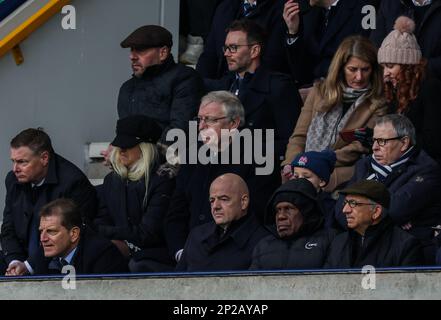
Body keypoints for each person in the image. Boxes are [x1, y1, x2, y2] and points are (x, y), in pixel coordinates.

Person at [165, 91, 279, 265]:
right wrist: (182, 252)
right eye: (199, 119)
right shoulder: (191, 156)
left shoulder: (259, 157)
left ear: (234, 123)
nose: (201, 126)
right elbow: (176, 213)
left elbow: (257, 213)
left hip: (237, 254)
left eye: (210, 120)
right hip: (191, 253)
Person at [282, 35, 387, 191]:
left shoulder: (378, 102)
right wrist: (290, 163)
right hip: (303, 166)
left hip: (340, 172)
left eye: (365, 69)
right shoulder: (319, 91)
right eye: (352, 69)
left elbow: (359, 147)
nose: (359, 77)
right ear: (341, 68)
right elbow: (299, 135)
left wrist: (321, 161)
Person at [334, 114, 441, 263]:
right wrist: (379, 219)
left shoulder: (426, 170)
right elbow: (340, 211)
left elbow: (396, 210)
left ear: (404, 143)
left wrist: (361, 217)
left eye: (382, 141)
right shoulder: (364, 165)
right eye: (374, 141)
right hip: (364, 246)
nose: (374, 147)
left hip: (406, 253)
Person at [1, 128, 97, 276]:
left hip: (58, 261)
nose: (15, 169)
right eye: (13, 161)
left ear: (44, 158)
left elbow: (71, 238)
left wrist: (28, 265)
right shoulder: (13, 180)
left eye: (22, 162)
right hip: (21, 257)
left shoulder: (73, 182)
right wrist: (14, 261)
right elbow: (8, 227)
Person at [205, 19, 303, 161]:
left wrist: (245, 148)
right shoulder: (224, 85)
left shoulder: (279, 86)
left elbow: (292, 141)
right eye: (225, 48)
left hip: (259, 167)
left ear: (254, 51)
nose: (226, 54)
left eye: (233, 47)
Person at [94, 115, 176, 272]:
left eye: (128, 145)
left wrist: (117, 240)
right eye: (119, 144)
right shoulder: (111, 180)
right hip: (119, 248)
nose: (121, 150)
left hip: (154, 254)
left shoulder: (163, 180)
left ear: (146, 148)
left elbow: (149, 234)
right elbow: (102, 219)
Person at [117, 24, 204, 145]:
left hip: (170, 159)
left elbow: (180, 132)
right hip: (135, 159)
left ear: (162, 53)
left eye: (140, 50)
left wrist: (142, 153)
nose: (132, 56)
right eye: (131, 50)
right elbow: (125, 133)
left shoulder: (185, 79)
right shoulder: (127, 88)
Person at [377, 16, 441, 166]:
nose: (385, 73)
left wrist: (393, 140)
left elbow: (434, 144)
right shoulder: (394, 90)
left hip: (423, 167)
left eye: (391, 66)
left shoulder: (430, 88)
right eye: (383, 67)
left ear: (408, 66)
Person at [176, 174, 268, 272]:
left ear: (243, 202)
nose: (215, 206)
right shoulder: (196, 236)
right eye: (212, 200)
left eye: (224, 199)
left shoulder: (263, 242)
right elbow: (176, 281)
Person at [325, 180, 424, 268]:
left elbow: (408, 287)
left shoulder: (405, 245)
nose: (345, 210)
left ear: (376, 212)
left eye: (353, 203)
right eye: (345, 203)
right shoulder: (338, 241)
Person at [12, 199, 127, 275]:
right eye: (41, 231)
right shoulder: (44, 254)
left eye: (51, 231)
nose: (43, 239)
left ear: (74, 234)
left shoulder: (103, 254)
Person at [250, 178, 336, 270]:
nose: (281, 216)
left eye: (288, 208)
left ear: (306, 212)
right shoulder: (263, 246)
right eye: (278, 210)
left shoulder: (331, 239)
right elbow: (251, 282)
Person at [283, 0, 374, 86]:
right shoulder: (309, 13)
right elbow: (301, 72)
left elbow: (364, 61)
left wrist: (322, 90)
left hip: (343, 88)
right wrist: (293, 32)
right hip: (313, 88)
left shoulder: (364, 8)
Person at [196, 0, 289, 79]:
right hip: (222, 86)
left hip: (256, 86)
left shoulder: (280, 9)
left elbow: (273, 60)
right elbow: (209, 55)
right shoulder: (225, 7)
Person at [371, 0, 441, 81]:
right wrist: (390, 66)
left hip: (434, 86)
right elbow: (374, 47)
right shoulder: (389, 4)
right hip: (393, 87)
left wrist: (424, 66)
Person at [288, 150, 338, 228]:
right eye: (296, 176)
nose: (300, 181)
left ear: (321, 181)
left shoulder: (329, 207)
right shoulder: (287, 199)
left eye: (306, 177)